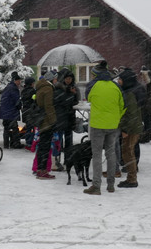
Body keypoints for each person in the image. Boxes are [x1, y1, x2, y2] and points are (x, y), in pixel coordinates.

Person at [83, 63, 124, 195]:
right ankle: (111, 185)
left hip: (97, 125)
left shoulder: (92, 85)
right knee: (111, 153)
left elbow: (88, 98)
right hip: (113, 125)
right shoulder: (116, 86)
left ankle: (96, 186)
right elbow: (123, 105)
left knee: (97, 155)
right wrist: (116, 118)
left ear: (96, 75)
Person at [116, 68, 144, 188]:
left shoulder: (129, 94)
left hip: (131, 128)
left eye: (120, 79)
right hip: (134, 126)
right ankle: (131, 178)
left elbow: (130, 113)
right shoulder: (132, 90)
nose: (118, 81)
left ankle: (132, 180)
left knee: (128, 153)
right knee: (128, 152)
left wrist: (125, 130)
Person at [32, 71, 58, 179]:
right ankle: (42, 170)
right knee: (45, 146)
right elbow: (49, 105)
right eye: (56, 78)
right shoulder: (48, 89)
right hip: (46, 121)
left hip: (42, 120)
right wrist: (53, 120)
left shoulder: (41, 87)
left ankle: (39, 168)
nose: (57, 80)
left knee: (42, 145)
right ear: (52, 79)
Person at [53, 68, 80, 162]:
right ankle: (56, 160)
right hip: (61, 118)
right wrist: (70, 93)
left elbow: (76, 101)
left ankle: (68, 159)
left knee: (69, 140)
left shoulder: (74, 89)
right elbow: (61, 101)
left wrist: (74, 94)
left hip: (69, 118)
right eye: (66, 78)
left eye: (70, 78)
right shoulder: (59, 88)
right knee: (58, 140)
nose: (68, 80)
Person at [0, 71, 22, 149]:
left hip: (5, 112)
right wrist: (19, 106)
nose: (20, 82)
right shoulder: (14, 88)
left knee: (6, 128)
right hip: (11, 112)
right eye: (19, 81)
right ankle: (15, 143)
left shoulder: (8, 87)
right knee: (15, 128)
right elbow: (17, 101)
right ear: (15, 80)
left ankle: (6, 144)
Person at [139, 67, 151, 143]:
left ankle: (147, 136)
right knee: (147, 120)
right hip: (148, 105)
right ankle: (147, 135)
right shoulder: (150, 84)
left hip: (148, 105)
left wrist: (148, 106)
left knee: (147, 120)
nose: (142, 77)